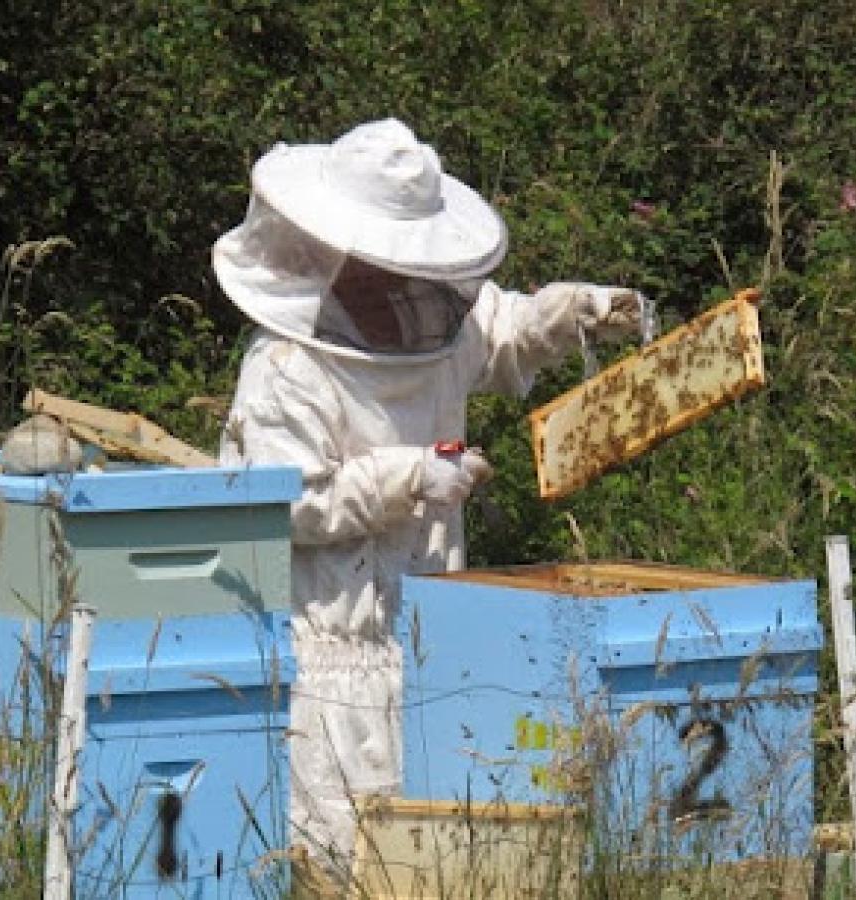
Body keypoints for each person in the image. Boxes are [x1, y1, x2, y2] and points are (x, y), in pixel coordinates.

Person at [214, 118, 644, 872]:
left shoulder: (435, 316)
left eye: (407, 267)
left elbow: (500, 327)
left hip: (434, 634)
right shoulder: (287, 367)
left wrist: (578, 310)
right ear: (333, 254)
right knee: (336, 853)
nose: (398, 287)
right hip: (326, 647)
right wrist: (407, 477)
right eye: (379, 267)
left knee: (432, 855)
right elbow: (285, 503)